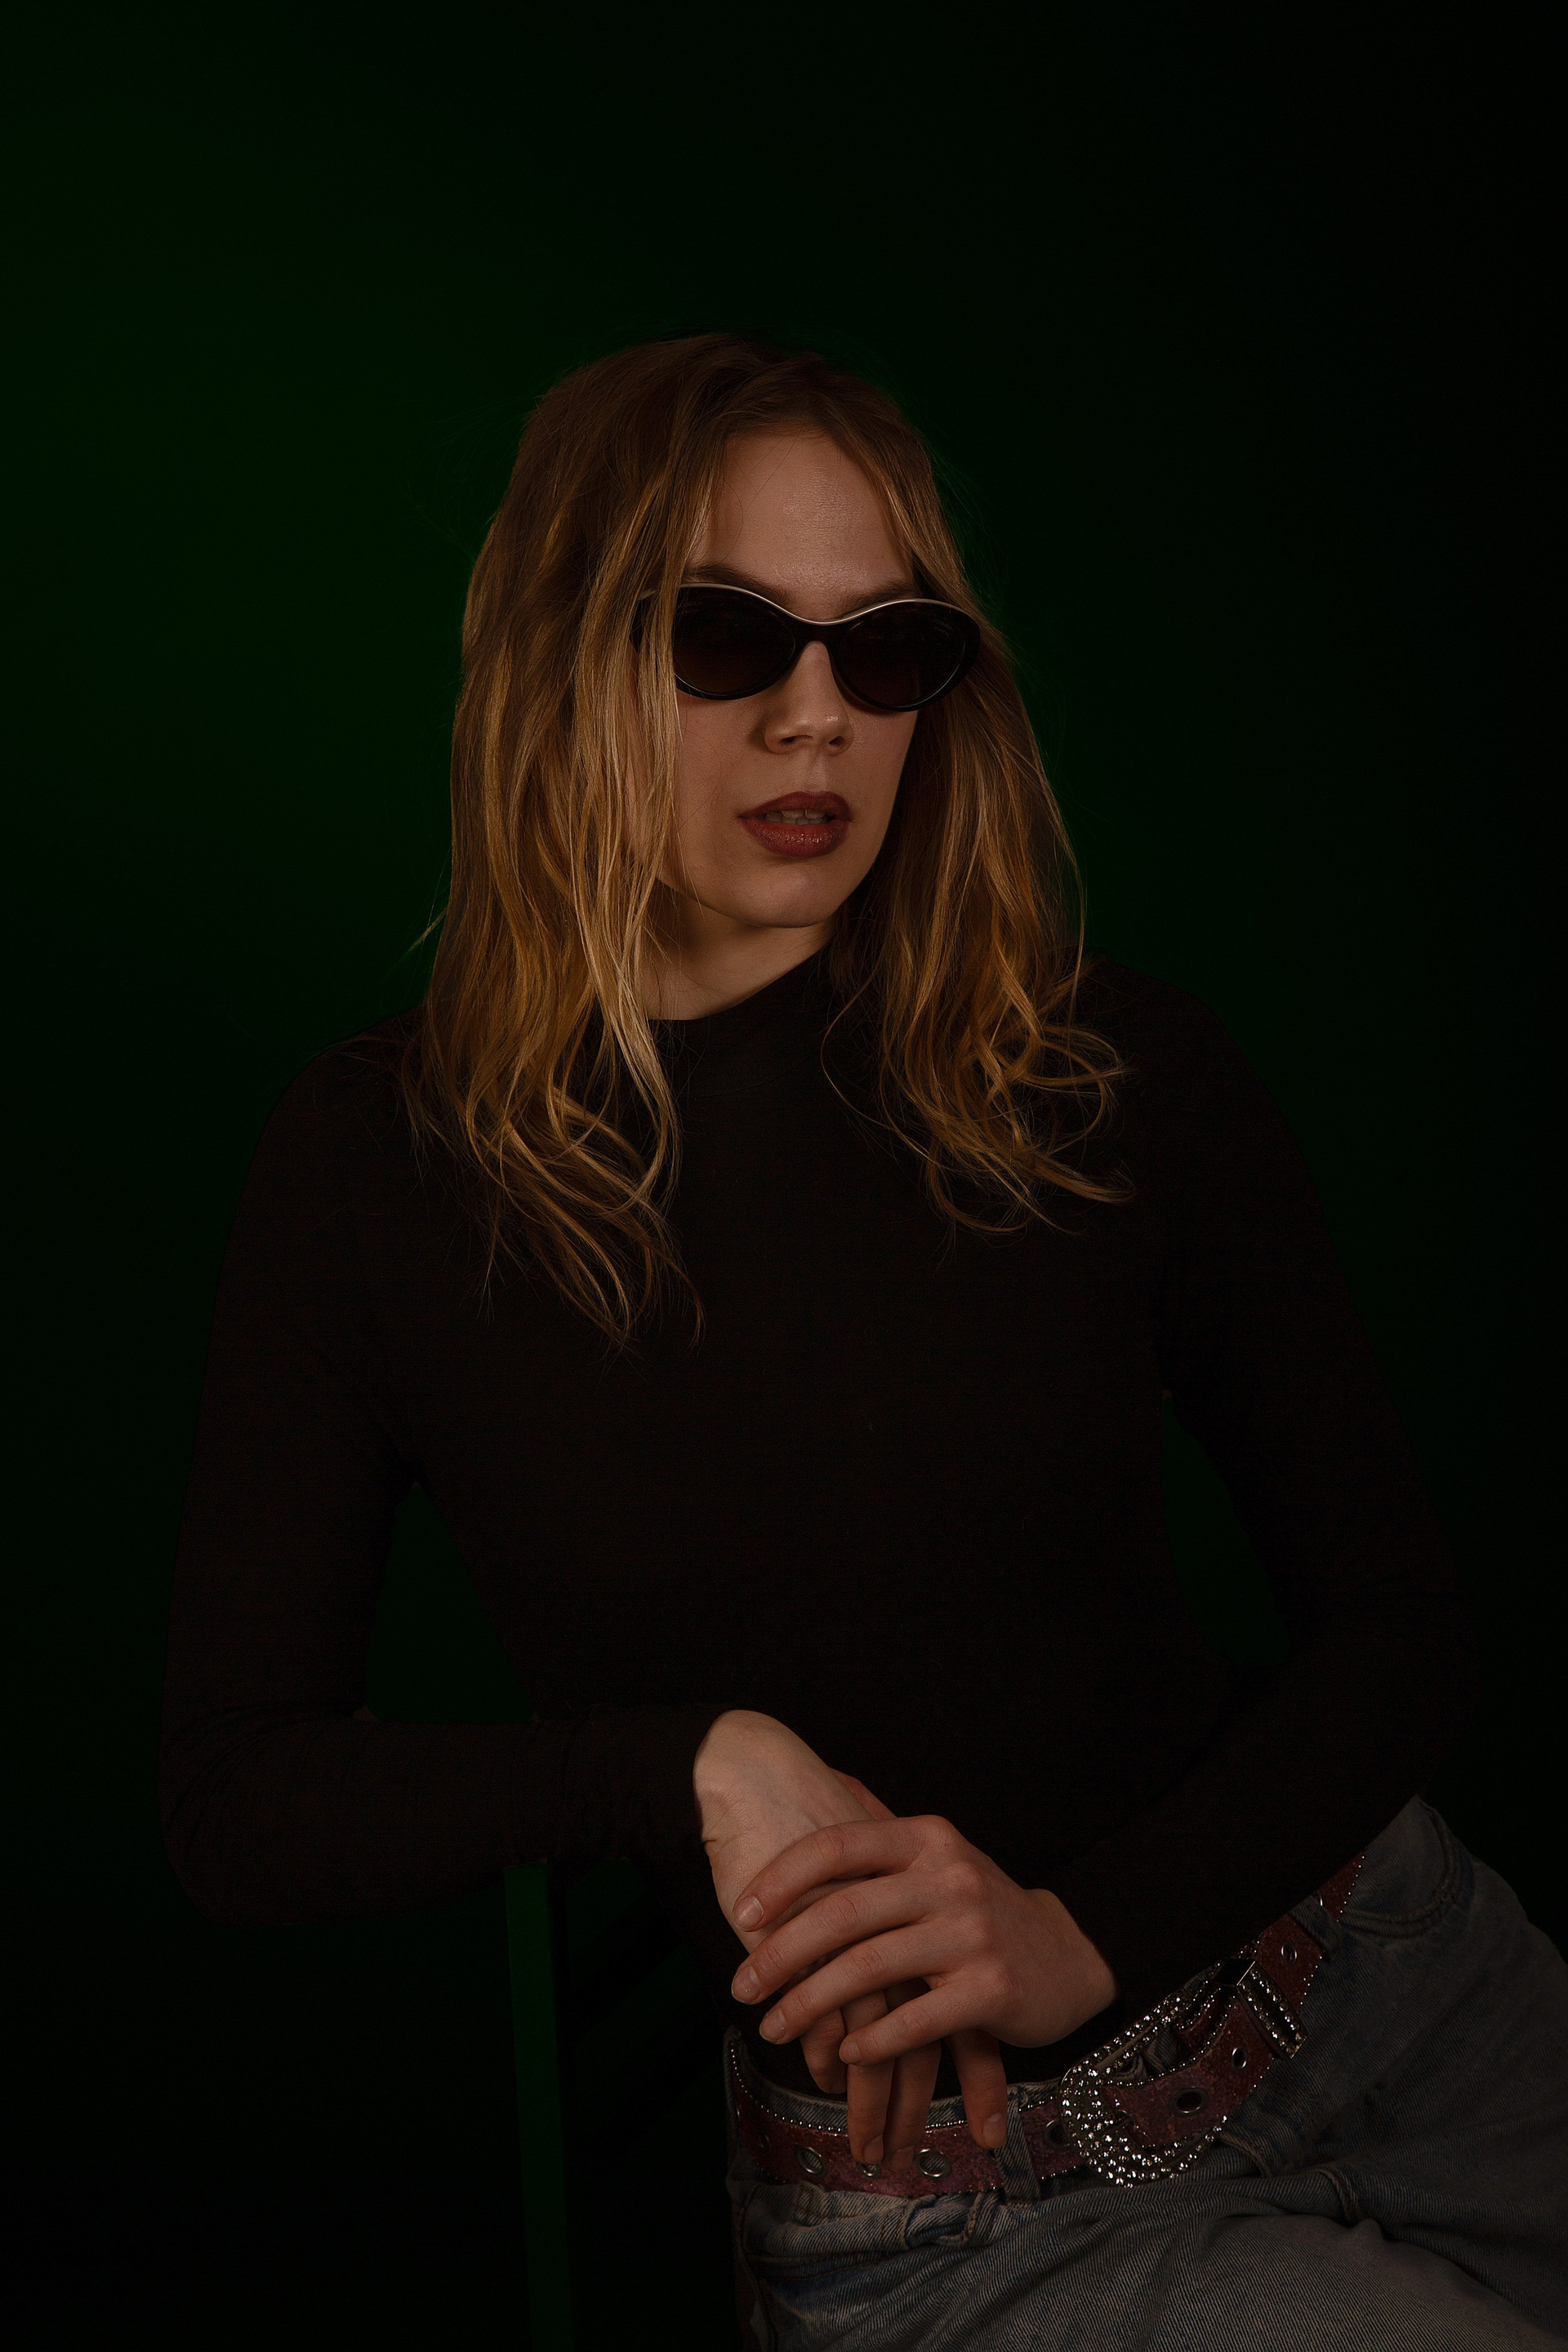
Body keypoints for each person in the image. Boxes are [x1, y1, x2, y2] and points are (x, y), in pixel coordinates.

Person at [161, 334, 1568, 2349]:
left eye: (887, 648)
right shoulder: (375, 1170)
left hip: (1415, 2003)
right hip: (966, 2225)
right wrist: (684, 1767)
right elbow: (238, 1800)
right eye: (724, 635)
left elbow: (1405, 1634)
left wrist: (1084, 1936)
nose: (816, 714)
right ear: (558, 655)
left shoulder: (1115, 1072)